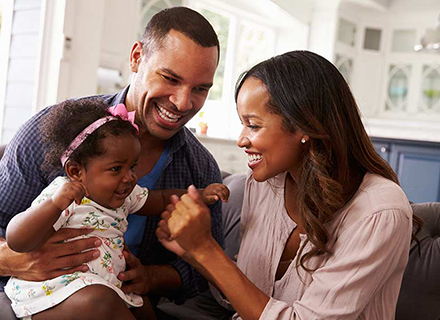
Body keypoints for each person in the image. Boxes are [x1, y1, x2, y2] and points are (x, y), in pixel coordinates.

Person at [157, 50, 418, 320]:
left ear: (305, 125)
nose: (241, 140)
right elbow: (245, 298)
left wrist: (206, 250)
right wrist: (193, 250)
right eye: (242, 124)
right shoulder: (264, 184)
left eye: (253, 125)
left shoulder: (379, 211)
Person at [0, 6, 223, 319]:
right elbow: (9, 228)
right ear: (136, 58)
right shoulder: (54, 134)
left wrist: (149, 277)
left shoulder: (199, 169)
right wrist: (14, 259)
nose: (184, 102)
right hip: (37, 298)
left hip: (122, 296)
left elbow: (204, 273)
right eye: (170, 78)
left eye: (200, 89)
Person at [4, 100, 228, 319]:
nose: (129, 177)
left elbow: (160, 199)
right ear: (75, 171)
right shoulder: (63, 196)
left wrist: (198, 194)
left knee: (144, 306)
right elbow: (17, 239)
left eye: (132, 167)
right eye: (116, 169)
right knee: (101, 300)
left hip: (109, 284)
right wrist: (53, 206)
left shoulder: (126, 195)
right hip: (56, 293)